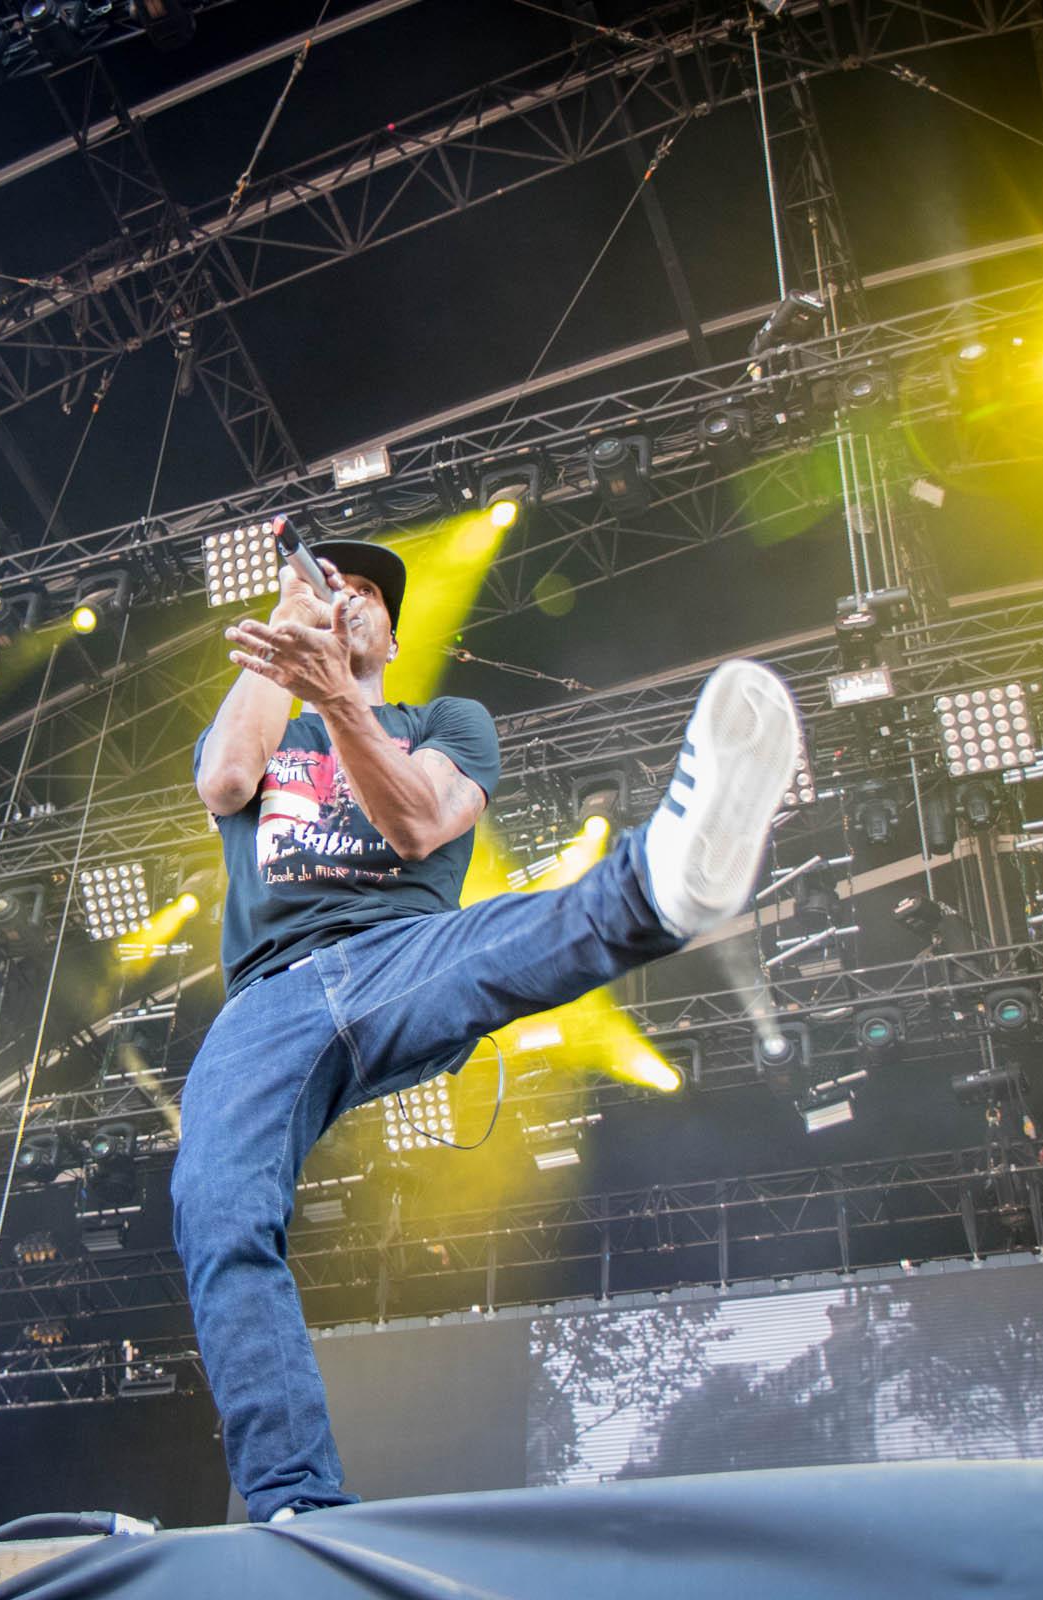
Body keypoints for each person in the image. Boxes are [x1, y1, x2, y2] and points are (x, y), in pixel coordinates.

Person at [180, 539, 800, 1521]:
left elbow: (420, 826)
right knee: (214, 1207)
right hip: (263, 1004)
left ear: (391, 630)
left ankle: (664, 877)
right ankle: (293, 1504)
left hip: (398, 955)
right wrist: (289, 628)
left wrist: (341, 698)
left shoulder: (447, 720)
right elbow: (225, 781)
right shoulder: (270, 716)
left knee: (511, 938)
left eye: (365, 595)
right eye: (324, 584)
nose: (344, 599)